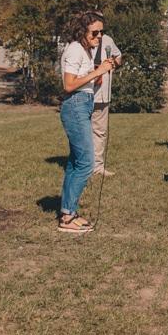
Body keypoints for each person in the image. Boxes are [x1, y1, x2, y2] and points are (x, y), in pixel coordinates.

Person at [55, 12, 113, 233]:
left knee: (75, 162)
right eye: (95, 32)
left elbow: (84, 81)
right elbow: (68, 85)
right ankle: (67, 218)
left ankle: (69, 211)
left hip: (85, 103)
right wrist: (97, 71)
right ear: (82, 31)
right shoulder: (74, 50)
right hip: (75, 105)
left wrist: (98, 72)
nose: (99, 36)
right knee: (87, 163)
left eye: (101, 32)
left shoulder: (85, 51)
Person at [89, 21, 123, 176]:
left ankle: (98, 166)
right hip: (85, 92)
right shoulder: (79, 43)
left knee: (100, 131)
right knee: (83, 131)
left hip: (102, 92)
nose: (100, 34)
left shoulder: (107, 40)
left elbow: (118, 56)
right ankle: (83, 164)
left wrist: (114, 64)